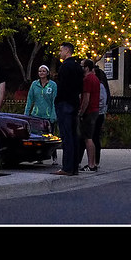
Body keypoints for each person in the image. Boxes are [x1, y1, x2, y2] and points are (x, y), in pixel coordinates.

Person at [53, 42, 84, 176]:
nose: (60, 53)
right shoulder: (77, 66)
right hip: (74, 102)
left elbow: (64, 86)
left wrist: (58, 100)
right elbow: (80, 87)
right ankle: (74, 166)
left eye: (61, 50)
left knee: (66, 136)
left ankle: (67, 167)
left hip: (65, 103)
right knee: (73, 135)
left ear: (67, 50)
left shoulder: (65, 67)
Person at [25, 65, 58, 162]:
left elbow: (54, 101)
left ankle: (54, 157)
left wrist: (53, 115)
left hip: (48, 115)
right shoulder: (34, 84)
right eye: (40, 71)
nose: (41, 73)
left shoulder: (52, 85)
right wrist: (27, 113)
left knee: (50, 135)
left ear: (47, 73)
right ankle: (39, 157)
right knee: (37, 137)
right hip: (36, 115)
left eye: (43, 71)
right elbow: (30, 99)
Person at [78, 59, 101, 172]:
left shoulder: (87, 79)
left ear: (86, 67)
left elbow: (86, 98)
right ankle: (93, 163)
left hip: (89, 111)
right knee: (90, 137)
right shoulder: (95, 79)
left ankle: (91, 164)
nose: (80, 67)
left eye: (82, 66)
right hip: (95, 110)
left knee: (88, 138)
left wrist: (81, 112)